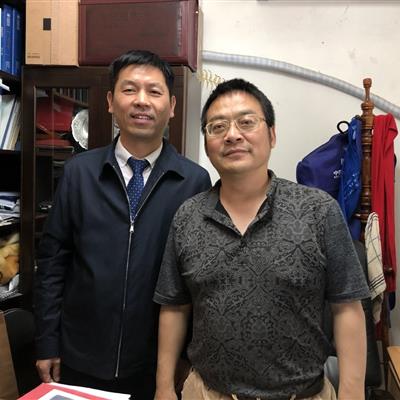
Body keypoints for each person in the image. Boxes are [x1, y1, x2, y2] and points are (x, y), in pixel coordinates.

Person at [153, 78, 369, 400]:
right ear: (208, 144)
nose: (232, 135)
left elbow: (347, 306)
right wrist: (163, 387)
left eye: (246, 122)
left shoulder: (318, 210)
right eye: (217, 127)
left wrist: (352, 392)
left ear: (272, 134)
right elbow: (174, 307)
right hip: (207, 393)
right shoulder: (188, 216)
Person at [34, 49, 211, 399]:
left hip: (155, 363)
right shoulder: (79, 173)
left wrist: (185, 357)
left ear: (172, 106)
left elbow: (196, 282)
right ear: (110, 102)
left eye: (154, 91)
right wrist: (47, 341)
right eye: (129, 89)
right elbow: (53, 264)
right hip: (79, 355)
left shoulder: (194, 181)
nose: (142, 101)